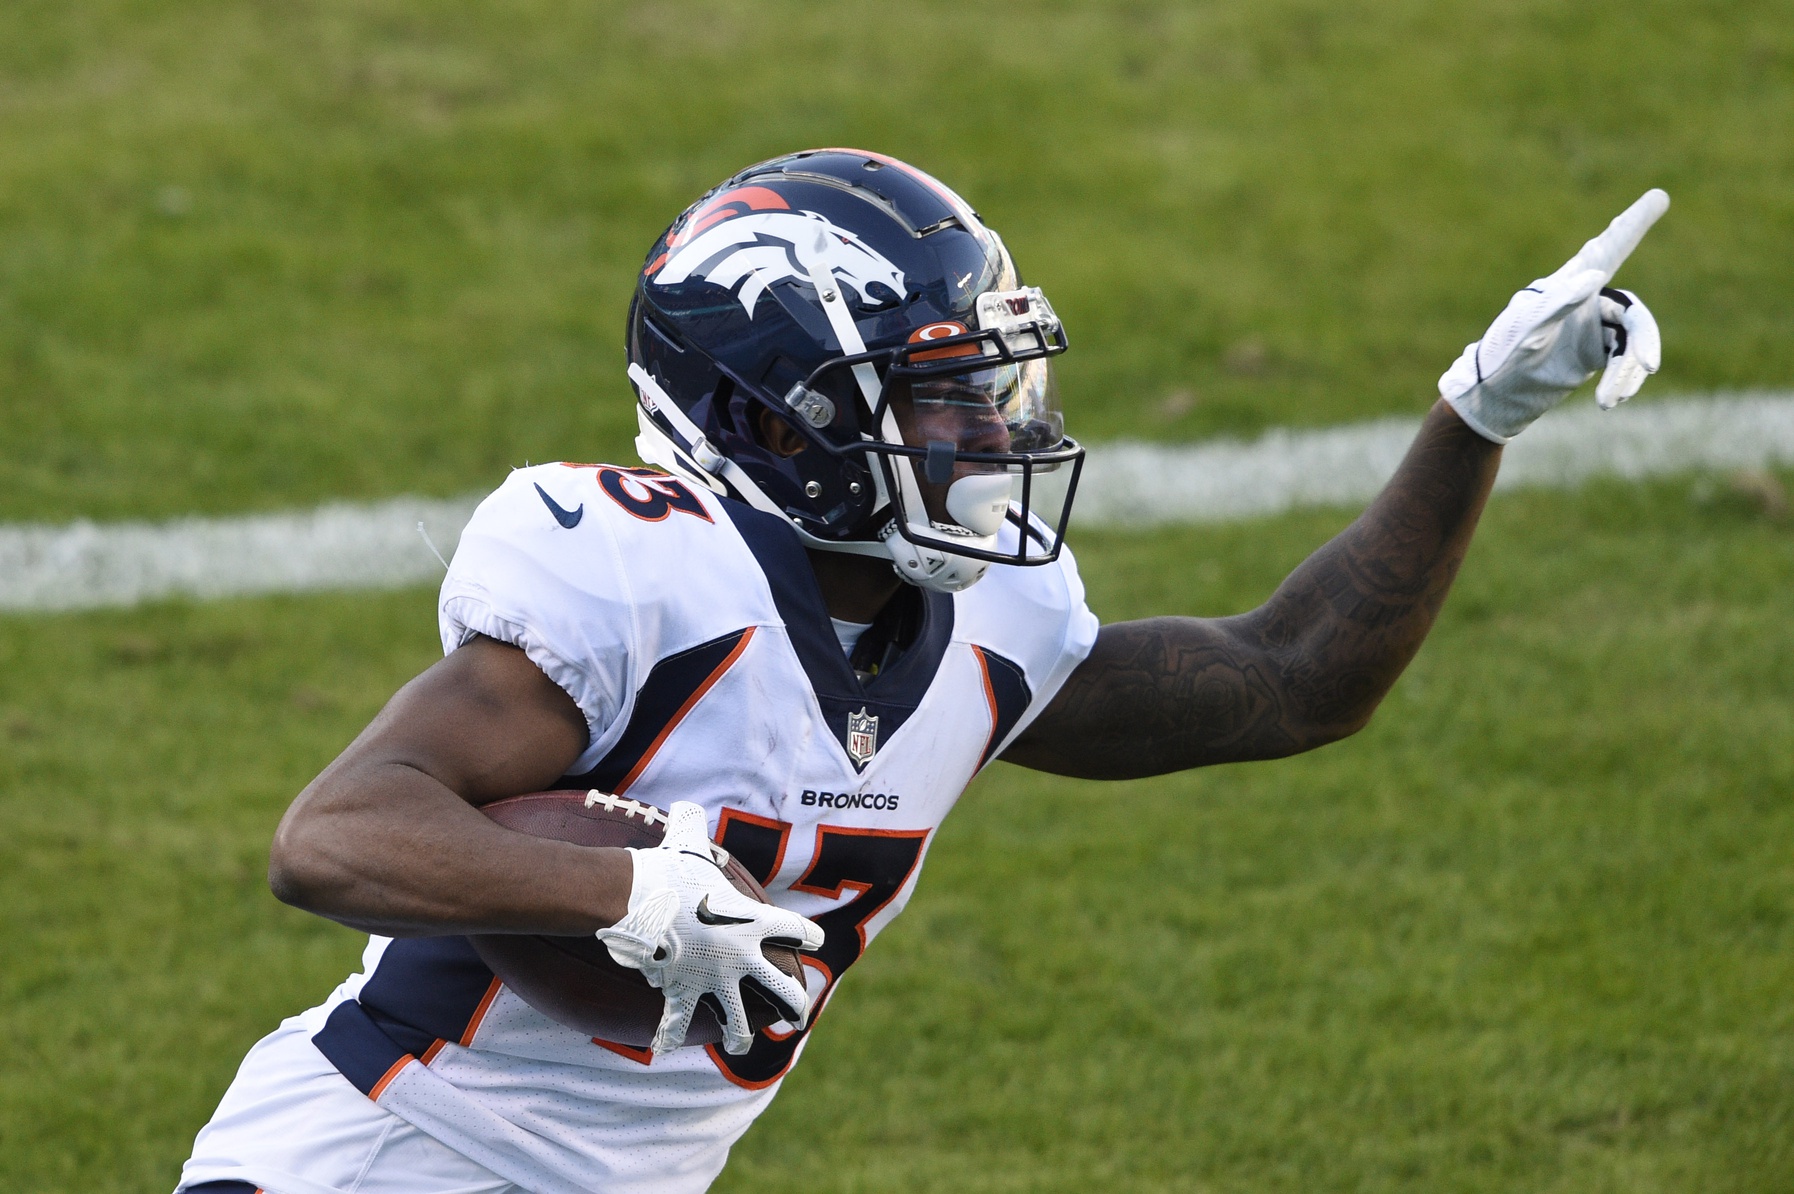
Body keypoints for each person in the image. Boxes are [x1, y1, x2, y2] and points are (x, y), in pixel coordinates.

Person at [174, 149, 1666, 1194]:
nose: (1002, 437)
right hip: (383, 1154)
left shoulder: (985, 625)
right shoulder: (643, 575)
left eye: (995, 388)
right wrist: (619, 892)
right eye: (945, 400)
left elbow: (1292, 678)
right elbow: (333, 835)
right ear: (780, 420)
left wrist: (1478, 410)